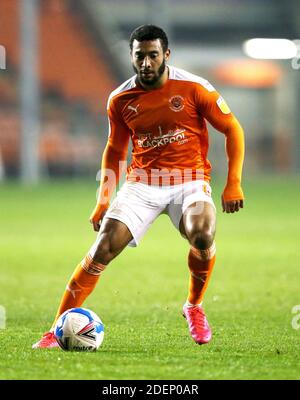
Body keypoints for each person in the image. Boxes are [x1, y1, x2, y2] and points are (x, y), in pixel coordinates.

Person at [33, 24, 244, 349]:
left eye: (153, 55)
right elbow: (115, 150)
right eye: (140, 56)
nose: (146, 63)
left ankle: (193, 306)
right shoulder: (120, 99)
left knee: (202, 232)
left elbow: (232, 129)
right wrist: (103, 199)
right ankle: (54, 330)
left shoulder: (194, 88)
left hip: (189, 179)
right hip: (142, 183)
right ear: (132, 57)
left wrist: (233, 184)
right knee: (103, 247)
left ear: (166, 55)